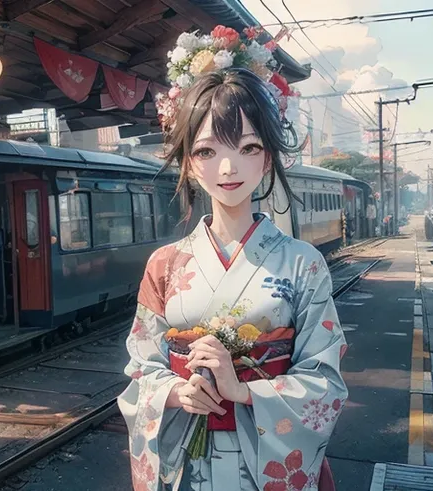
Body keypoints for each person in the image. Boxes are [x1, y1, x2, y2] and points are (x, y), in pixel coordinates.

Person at [118, 29, 348, 491]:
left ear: (267, 160)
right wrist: (177, 392)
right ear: (187, 161)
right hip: (185, 461)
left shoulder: (303, 264)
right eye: (207, 150)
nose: (228, 168)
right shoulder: (164, 265)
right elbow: (142, 368)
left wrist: (242, 390)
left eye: (247, 148)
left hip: (264, 466)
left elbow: (325, 383)